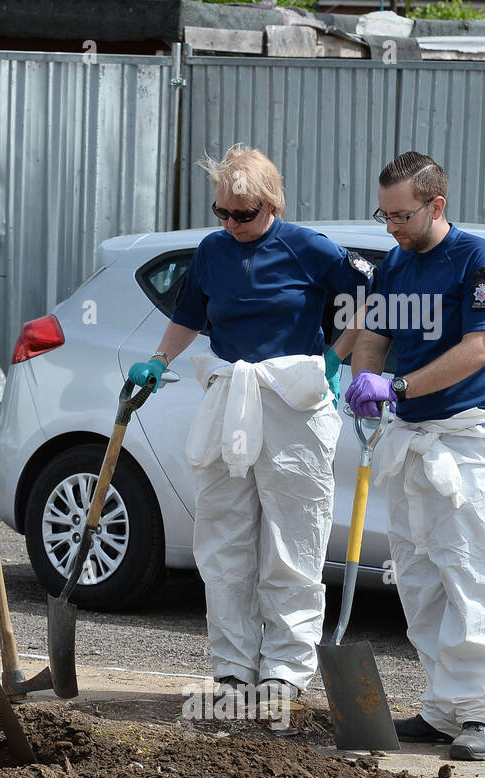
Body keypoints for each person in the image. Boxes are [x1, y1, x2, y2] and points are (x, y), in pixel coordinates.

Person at [126, 144, 375, 710]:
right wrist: (158, 362)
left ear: (270, 205)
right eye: (222, 213)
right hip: (230, 396)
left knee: (293, 538)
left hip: (293, 398)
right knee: (224, 538)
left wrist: (338, 356)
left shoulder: (309, 248)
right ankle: (234, 666)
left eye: (243, 214)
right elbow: (188, 317)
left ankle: (286, 666)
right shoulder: (212, 252)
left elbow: (373, 293)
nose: (231, 224)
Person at [345, 151, 485, 762]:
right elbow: (374, 334)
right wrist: (362, 380)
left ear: (436, 205)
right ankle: (444, 707)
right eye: (384, 214)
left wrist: (396, 387)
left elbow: (478, 348)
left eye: (401, 215)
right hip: (414, 440)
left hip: (473, 439)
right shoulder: (394, 265)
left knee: (479, 575)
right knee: (421, 579)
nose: (391, 227)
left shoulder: (479, 260)